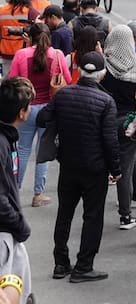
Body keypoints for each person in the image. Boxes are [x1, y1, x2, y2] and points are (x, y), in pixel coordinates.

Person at [36, 51, 120, 283]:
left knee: (64, 214)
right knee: (92, 217)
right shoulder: (106, 102)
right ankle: (84, 266)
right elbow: (109, 140)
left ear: (79, 70)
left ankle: (60, 263)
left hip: (68, 165)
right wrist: (116, 169)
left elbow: (43, 119)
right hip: (95, 168)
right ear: (102, 75)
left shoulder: (63, 96)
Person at [9, 23, 71, 208]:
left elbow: (12, 80)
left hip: (26, 108)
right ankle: (38, 194)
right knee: (43, 153)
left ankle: (14, 191)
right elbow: (67, 80)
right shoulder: (57, 55)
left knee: (22, 150)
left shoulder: (22, 55)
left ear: (31, 37)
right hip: (49, 110)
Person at [100, 25, 136, 231]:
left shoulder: (104, 66)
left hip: (105, 120)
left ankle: (95, 209)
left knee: (104, 165)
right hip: (128, 121)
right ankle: (125, 215)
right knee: (125, 168)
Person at [0, 77, 34, 301]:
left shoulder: (8, 138)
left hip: (9, 228)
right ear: (22, 112)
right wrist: (19, 224)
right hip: (4, 231)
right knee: (11, 290)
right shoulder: (3, 143)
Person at [0, 0, 38, 74]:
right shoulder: (31, 12)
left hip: (6, 50)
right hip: (24, 50)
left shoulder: (2, 10)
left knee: (7, 78)